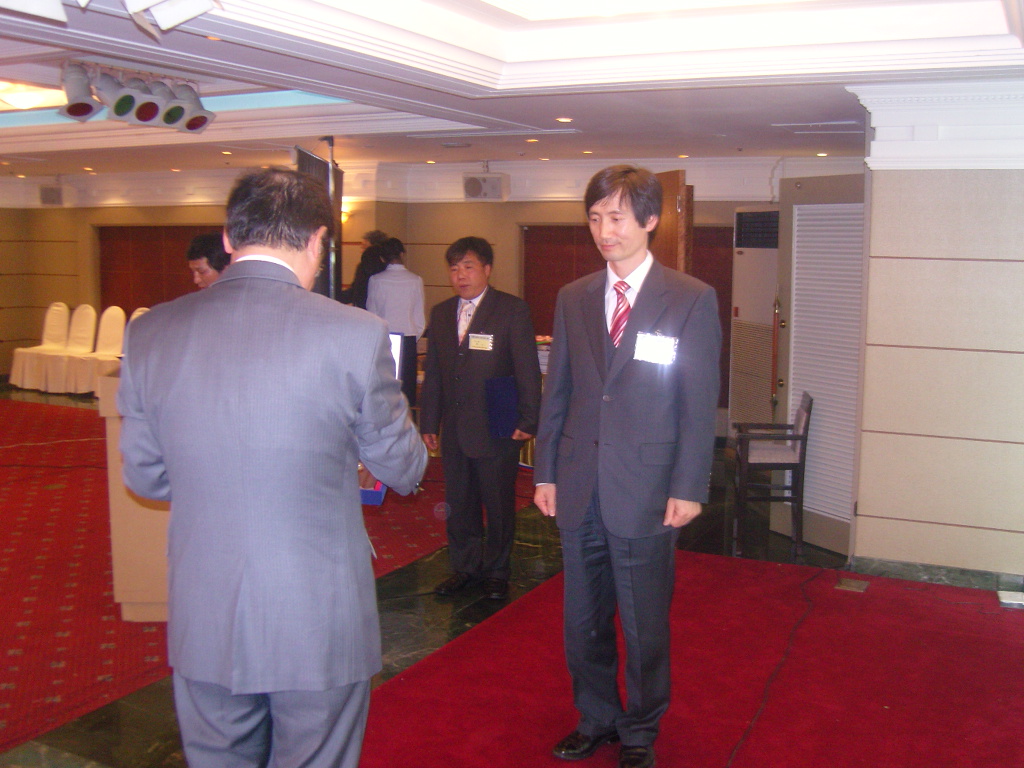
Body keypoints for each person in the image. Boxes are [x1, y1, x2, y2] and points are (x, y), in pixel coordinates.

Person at [117, 168, 427, 768]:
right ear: (317, 240)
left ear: (228, 239)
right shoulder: (356, 333)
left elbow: (146, 477)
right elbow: (404, 466)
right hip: (318, 617)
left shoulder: (150, 331)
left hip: (206, 614)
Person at [533, 165, 721, 768]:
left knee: (643, 625)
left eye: (616, 217)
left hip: (647, 488)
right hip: (579, 483)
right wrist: (545, 471)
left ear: (649, 220)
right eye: (595, 218)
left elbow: (698, 402)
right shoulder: (574, 297)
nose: (604, 231)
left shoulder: (690, 298)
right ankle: (595, 717)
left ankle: (640, 730)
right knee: (582, 619)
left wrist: (689, 485)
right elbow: (558, 391)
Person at [419, 236, 542, 601]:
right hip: (456, 427)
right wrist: (429, 422)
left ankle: (497, 571)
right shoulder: (442, 313)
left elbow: (527, 369)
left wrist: (529, 418)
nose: (460, 275)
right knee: (459, 501)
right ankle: (465, 567)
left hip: (497, 421)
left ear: (487, 269)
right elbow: (435, 373)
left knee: (498, 502)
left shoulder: (511, 310)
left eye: (468, 267)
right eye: (454, 268)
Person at [366, 237, 425, 408]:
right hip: (408, 339)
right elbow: (420, 319)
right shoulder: (416, 280)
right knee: (407, 392)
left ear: (382, 258)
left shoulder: (376, 280)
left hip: (385, 339)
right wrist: (412, 338)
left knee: (385, 389)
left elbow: (372, 314)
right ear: (402, 254)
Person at [342, 243, 387, 309]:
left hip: (362, 309)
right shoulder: (385, 272)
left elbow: (355, 291)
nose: (362, 248)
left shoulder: (363, 269)